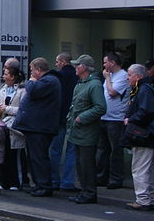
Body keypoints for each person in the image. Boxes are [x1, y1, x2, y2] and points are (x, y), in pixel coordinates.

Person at [13, 57, 61, 197]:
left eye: (32, 70)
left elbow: (33, 90)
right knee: (34, 158)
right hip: (35, 127)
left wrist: (32, 82)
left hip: (40, 127)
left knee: (39, 158)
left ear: (39, 70)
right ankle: (38, 184)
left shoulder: (49, 80)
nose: (31, 73)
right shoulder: (47, 81)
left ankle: (44, 186)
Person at [66, 54, 106, 204]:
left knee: (87, 164)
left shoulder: (94, 85)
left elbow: (101, 107)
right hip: (77, 131)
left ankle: (89, 193)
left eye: (77, 65)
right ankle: (84, 191)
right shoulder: (81, 83)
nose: (75, 68)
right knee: (80, 164)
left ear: (83, 67)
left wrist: (82, 117)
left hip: (87, 132)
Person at [96, 51, 129, 189]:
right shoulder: (111, 75)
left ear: (112, 63)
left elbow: (112, 92)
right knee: (103, 149)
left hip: (116, 119)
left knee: (115, 149)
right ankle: (102, 176)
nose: (104, 65)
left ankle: (116, 179)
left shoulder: (122, 76)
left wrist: (107, 79)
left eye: (105, 62)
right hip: (105, 116)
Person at [123, 64, 154, 211]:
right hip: (147, 135)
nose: (128, 78)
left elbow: (145, 111)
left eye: (129, 75)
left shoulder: (144, 90)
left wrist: (131, 119)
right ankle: (149, 198)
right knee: (148, 169)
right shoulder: (143, 89)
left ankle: (143, 200)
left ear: (138, 76)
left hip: (142, 135)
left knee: (139, 168)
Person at [0, 64, 27, 190]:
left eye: (6, 74)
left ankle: (16, 182)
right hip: (4, 125)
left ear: (13, 77)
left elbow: (24, 109)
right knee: (4, 154)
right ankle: (4, 182)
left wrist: (7, 109)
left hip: (15, 126)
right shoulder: (3, 89)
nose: (3, 76)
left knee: (15, 155)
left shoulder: (22, 90)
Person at [50, 52, 78, 191]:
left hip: (59, 117)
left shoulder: (58, 77)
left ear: (62, 62)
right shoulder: (77, 76)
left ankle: (54, 180)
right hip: (73, 117)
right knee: (71, 151)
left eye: (57, 62)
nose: (56, 64)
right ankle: (67, 182)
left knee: (55, 150)